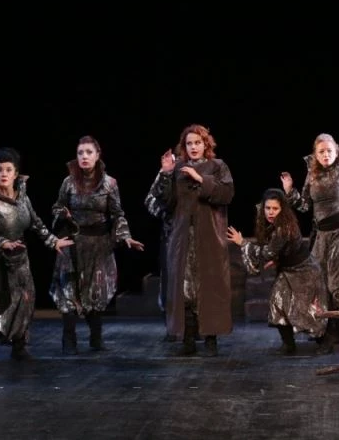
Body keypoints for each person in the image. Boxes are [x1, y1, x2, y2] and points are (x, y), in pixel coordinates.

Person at [0, 147, 74, 364]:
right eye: (0, 170)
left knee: (24, 300)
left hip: (19, 260)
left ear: (16, 173)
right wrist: (3, 243)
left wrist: (53, 241)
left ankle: (19, 346)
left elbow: (36, 223)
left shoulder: (23, 198)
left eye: (8, 169)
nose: (4, 174)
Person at [281, 133, 339, 354]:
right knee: (320, 283)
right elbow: (304, 206)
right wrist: (289, 192)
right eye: (321, 152)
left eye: (329, 151)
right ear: (315, 154)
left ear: (337, 151)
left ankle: (335, 331)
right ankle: (329, 329)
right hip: (321, 236)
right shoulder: (312, 174)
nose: (325, 155)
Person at [49, 136, 145, 355]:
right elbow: (56, 207)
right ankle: (69, 339)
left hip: (99, 245)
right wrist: (63, 215)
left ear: (97, 155)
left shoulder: (109, 184)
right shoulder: (68, 182)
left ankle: (96, 337)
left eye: (89, 152)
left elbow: (117, 214)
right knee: (69, 290)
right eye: (80, 152)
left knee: (97, 291)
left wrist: (125, 236)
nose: (84, 157)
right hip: (73, 243)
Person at [148, 124, 234, 357]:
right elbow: (164, 203)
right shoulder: (177, 168)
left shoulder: (218, 166)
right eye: (189, 143)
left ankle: (210, 340)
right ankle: (188, 339)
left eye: (198, 143)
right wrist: (166, 173)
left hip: (209, 238)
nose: (193, 147)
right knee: (185, 290)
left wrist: (200, 178)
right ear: (183, 147)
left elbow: (226, 194)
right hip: (183, 238)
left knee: (210, 288)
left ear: (206, 144)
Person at [226, 188, 328, 355]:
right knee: (277, 303)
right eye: (268, 208)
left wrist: (242, 242)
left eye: (275, 208)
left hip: (305, 272)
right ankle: (288, 344)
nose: (271, 212)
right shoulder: (274, 225)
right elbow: (282, 250)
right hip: (288, 270)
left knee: (306, 309)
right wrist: (278, 259)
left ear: (282, 209)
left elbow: (267, 252)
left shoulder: (284, 228)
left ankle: (324, 342)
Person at [144, 171, 175, 341]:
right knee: (169, 282)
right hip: (171, 237)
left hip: (194, 235)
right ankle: (171, 326)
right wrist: (166, 213)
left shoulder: (200, 170)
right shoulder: (166, 173)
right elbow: (150, 200)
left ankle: (195, 326)